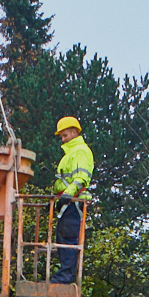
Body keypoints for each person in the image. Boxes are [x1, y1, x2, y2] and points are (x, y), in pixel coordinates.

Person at [49, 116, 92, 284]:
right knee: (62, 240)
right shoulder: (71, 153)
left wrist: (68, 194)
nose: (63, 139)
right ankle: (62, 276)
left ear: (74, 132)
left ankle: (64, 278)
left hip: (73, 203)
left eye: (65, 135)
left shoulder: (80, 151)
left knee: (68, 239)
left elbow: (81, 177)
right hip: (67, 202)